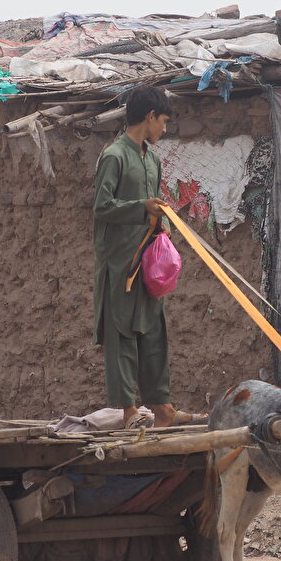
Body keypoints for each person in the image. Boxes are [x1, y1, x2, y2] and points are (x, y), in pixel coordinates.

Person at [93, 86, 205, 429]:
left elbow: (155, 201)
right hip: (120, 265)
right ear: (149, 116)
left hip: (148, 265)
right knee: (123, 337)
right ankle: (129, 413)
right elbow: (102, 207)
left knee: (154, 334)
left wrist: (164, 222)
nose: (165, 130)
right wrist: (142, 208)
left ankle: (163, 410)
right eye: (164, 122)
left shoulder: (152, 160)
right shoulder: (114, 156)